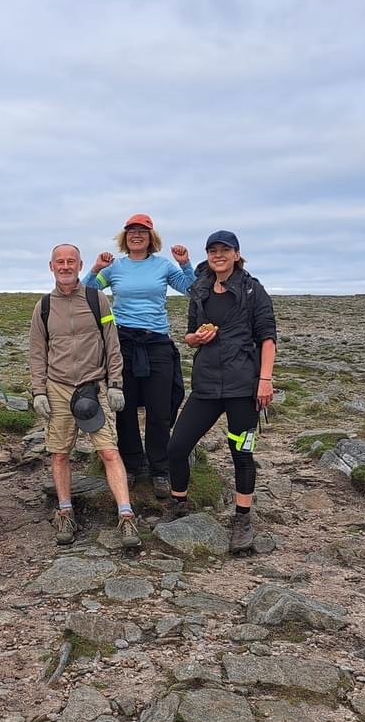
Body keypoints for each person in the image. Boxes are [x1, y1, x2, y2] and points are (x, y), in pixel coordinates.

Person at [165, 230, 277, 554]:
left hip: (243, 387)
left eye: (224, 250)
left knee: (241, 452)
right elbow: (189, 335)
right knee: (176, 447)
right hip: (206, 384)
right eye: (212, 250)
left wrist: (265, 380)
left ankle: (242, 519)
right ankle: (179, 503)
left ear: (237, 255)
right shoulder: (200, 289)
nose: (218, 255)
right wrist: (195, 339)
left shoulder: (253, 290)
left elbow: (267, 337)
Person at [28, 244, 142, 550]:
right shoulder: (43, 307)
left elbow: (112, 342)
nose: (65, 266)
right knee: (59, 453)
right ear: (51, 266)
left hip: (94, 386)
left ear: (80, 265)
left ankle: (126, 515)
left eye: (71, 261)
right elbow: (37, 353)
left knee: (109, 451)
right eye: (60, 262)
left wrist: (115, 383)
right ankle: (65, 512)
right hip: (58, 387)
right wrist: (39, 390)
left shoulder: (97, 299)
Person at [85, 213, 194, 498]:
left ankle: (159, 469)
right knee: (125, 407)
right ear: (125, 237)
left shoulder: (163, 265)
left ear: (151, 237)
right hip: (122, 343)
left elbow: (192, 289)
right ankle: (132, 465)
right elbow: (87, 292)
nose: (136, 235)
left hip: (157, 343)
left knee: (160, 408)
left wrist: (185, 264)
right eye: (131, 231)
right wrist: (96, 268)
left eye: (142, 231)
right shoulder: (115, 267)